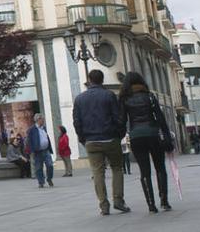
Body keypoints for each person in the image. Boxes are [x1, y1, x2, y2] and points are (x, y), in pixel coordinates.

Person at [73, 69, 130, 216]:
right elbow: (118, 117)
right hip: (110, 138)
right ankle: (118, 200)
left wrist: (82, 138)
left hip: (91, 141)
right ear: (102, 80)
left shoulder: (79, 99)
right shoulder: (109, 95)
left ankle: (103, 205)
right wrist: (119, 134)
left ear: (89, 80)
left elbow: (77, 122)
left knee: (98, 172)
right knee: (117, 168)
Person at [118, 71, 173, 213]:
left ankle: (151, 205)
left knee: (144, 171)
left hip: (136, 136)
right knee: (160, 168)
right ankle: (164, 201)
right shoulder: (150, 96)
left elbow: (122, 121)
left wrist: (119, 136)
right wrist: (166, 136)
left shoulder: (125, 99)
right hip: (153, 134)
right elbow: (160, 118)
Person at [25, 114, 54, 188]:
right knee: (38, 167)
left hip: (46, 150)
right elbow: (29, 141)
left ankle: (49, 178)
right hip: (37, 151)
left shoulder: (43, 128)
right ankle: (41, 182)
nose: (43, 121)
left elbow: (46, 138)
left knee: (50, 165)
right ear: (38, 120)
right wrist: (32, 151)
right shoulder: (32, 129)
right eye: (42, 119)